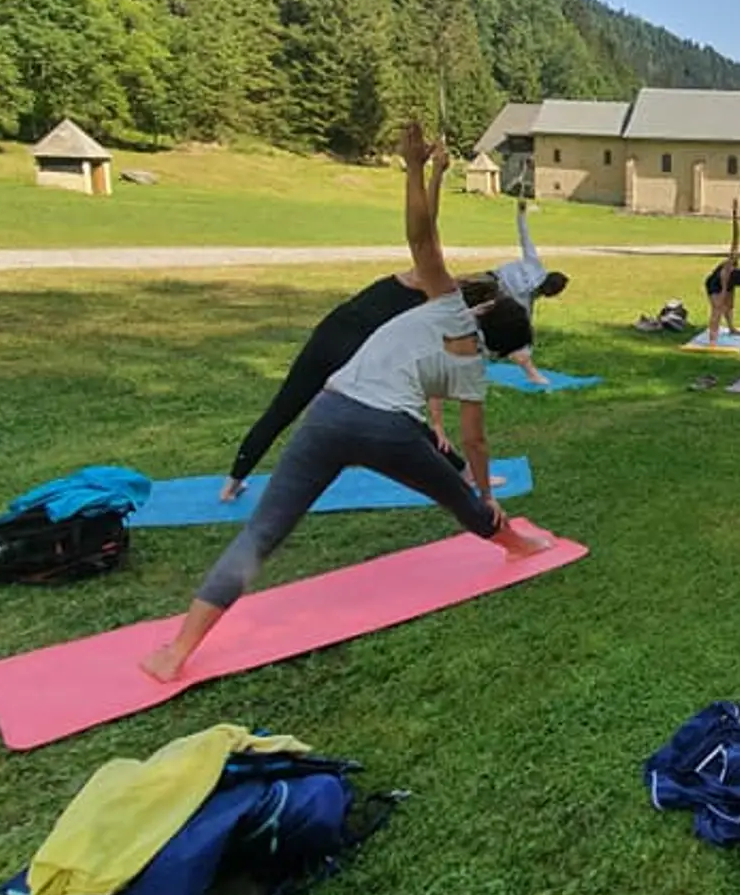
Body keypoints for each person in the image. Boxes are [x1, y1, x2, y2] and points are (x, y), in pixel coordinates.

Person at [139, 123, 549, 683]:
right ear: (499, 351)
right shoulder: (475, 372)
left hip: (329, 414)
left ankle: (177, 650)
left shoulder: (451, 304)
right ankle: (517, 543)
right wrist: (483, 494)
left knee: (262, 533)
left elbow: (421, 239)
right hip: (390, 432)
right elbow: (473, 441)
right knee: (462, 503)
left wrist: (414, 169)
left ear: (482, 312)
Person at [222, 145, 464, 502]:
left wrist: (436, 173)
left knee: (284, 407)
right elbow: (425, 227)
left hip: (331, 330)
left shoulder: (423, 278)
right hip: (349, 347)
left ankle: (232, 483)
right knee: (400, 416)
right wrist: (435, 174)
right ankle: (463, 472)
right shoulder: (435, 291)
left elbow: (425, 227)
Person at [469, 198, 569, 384]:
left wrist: (521, 214)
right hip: (487, 283)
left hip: (487, 286)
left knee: (469, 317)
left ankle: (478, 353)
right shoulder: (531, 275)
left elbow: (524, 322)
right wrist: (521, 214)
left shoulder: (532, 278)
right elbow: (525, 238)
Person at [703, 203, 740, 343]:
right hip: (714, 284)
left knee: (730, 306)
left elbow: (736, 237)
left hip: (727, 283)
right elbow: (721, 301)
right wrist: (713, 340)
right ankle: (712, 336)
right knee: (717, 309)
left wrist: (735, 216)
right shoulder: (725, 277)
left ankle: (731, 328)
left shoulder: (734, 259)